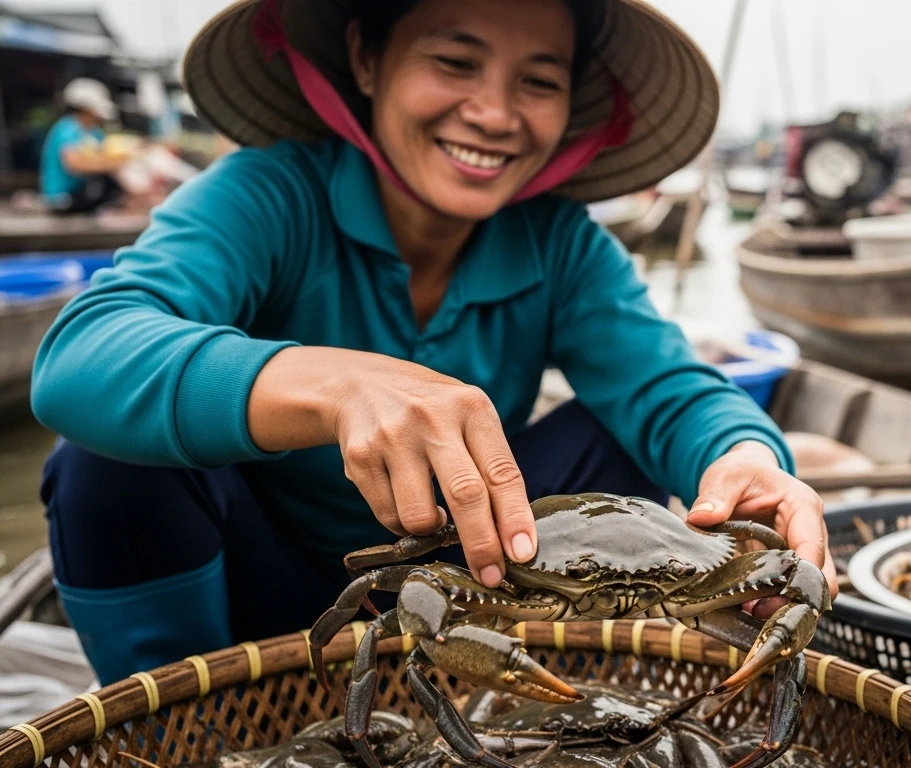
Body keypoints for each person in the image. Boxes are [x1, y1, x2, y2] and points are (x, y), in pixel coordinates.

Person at [32, 0, 835, 685]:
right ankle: (185, 735)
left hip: (483, 582)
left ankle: (545, 703)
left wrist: (746, 458)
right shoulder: (267, 195)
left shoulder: (561, 244)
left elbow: (668, 388)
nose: (493, 113)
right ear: (366, 58)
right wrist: (330, 384)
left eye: (539, 81)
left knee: (616, 432)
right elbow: (82, 355)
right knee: (102, 466)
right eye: (455, 62)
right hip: (243, 594)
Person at [39, 78, 127, 214]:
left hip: (83, 194)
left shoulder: (94, 132)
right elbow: (73, 164)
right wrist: (114, 164)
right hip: (63, 198)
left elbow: (104, 155)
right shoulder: (67, 129)